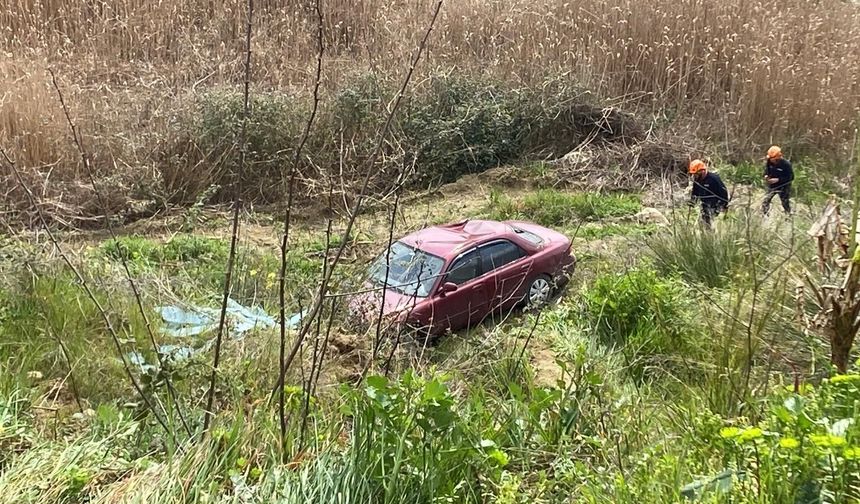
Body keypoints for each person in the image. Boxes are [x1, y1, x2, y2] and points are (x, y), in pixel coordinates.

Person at [688, 159, 729, 227]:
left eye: (696, 174)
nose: (695, 176)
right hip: (704, 207)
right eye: (693, 174)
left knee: (713, 225)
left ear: (702, 171)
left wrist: (722, 207)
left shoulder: (714, 179)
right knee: (703, 225)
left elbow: (724, 193)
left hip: (715, 207)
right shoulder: (697, 180)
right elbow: (695, 193)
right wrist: (692, 202)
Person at [761, 145, 793, 216]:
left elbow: (790, 178)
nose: (771, 160)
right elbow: (766, 170)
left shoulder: (786, 164)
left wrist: (778, 180)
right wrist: (766, 176)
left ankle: (788, 215)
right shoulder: (769, 162)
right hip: (772, 185)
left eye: (772, 158)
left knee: (785, 202)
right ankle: (765, 215)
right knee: (766, 200)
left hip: (784, 186)